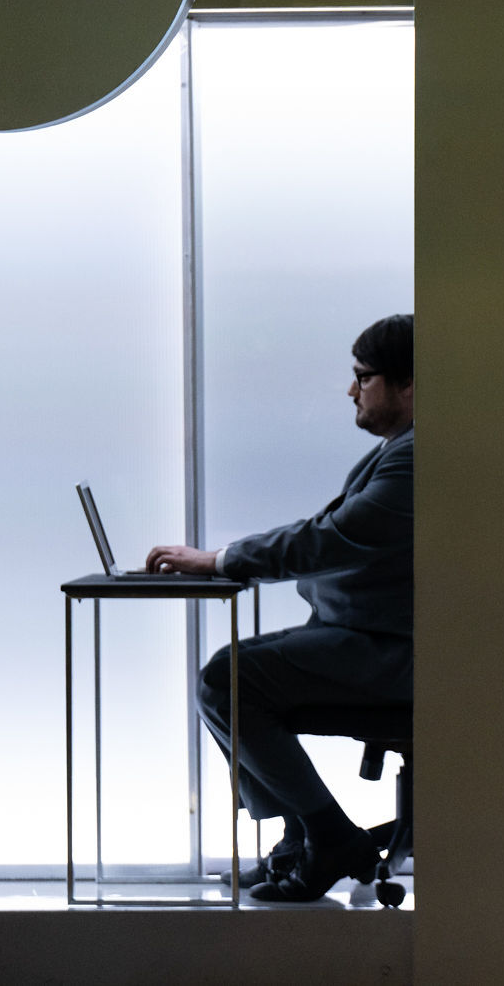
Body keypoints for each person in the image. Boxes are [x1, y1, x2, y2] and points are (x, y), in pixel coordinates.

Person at [147, 313, 414, 903]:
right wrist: (222, 560)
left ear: (408, 384)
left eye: (363, 377)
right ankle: (303, 838)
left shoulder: (416, 456)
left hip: (395, 651)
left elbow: (332, 538)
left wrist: (217, 561)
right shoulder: (399, 451)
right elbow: (325, 531)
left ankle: (327, 837)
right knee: (222, 678)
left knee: (225, 679)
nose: (351, 390)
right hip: (366, 635)